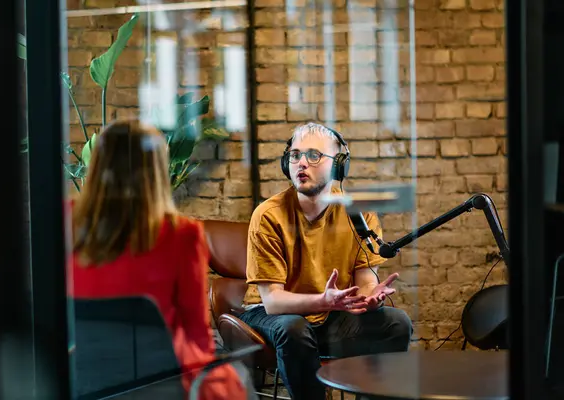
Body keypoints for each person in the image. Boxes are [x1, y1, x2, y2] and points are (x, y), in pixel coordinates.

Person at [68, 119, 253, 400]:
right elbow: (195, 335)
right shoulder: (182, 234)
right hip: (160, 383)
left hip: (86, 381)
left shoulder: (68, 220)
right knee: (239, 382)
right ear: (155, 171)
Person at [238, 122, 413, 399]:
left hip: (330, 314)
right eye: (295, 155)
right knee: (294, 328)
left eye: (313, 155)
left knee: (396, 322)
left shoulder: (360, 214)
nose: (301, 164)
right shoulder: (269, 215)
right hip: (272, 314)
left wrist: (369, 298)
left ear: (338, 166)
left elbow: (365, 280)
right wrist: (324, 300)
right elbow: (273, 301)